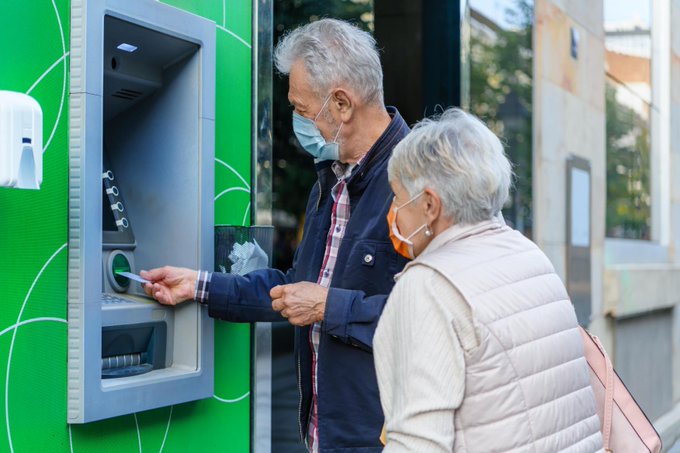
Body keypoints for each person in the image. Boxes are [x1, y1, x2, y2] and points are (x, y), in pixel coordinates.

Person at [141, 18, 410, 452]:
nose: (298, 124)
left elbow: (437, 318)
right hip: (324, 435)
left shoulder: (420, 181)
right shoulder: (330, 180)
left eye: (302, 110)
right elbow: (294, 287)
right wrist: (199, 285)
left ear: (342, 104)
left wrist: (327, 305)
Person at [374, 108, 604, 452]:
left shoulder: (428, 286)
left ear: (430, 206)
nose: (392, 211)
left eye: (396, 196)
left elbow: (417, 444)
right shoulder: (529, 255)